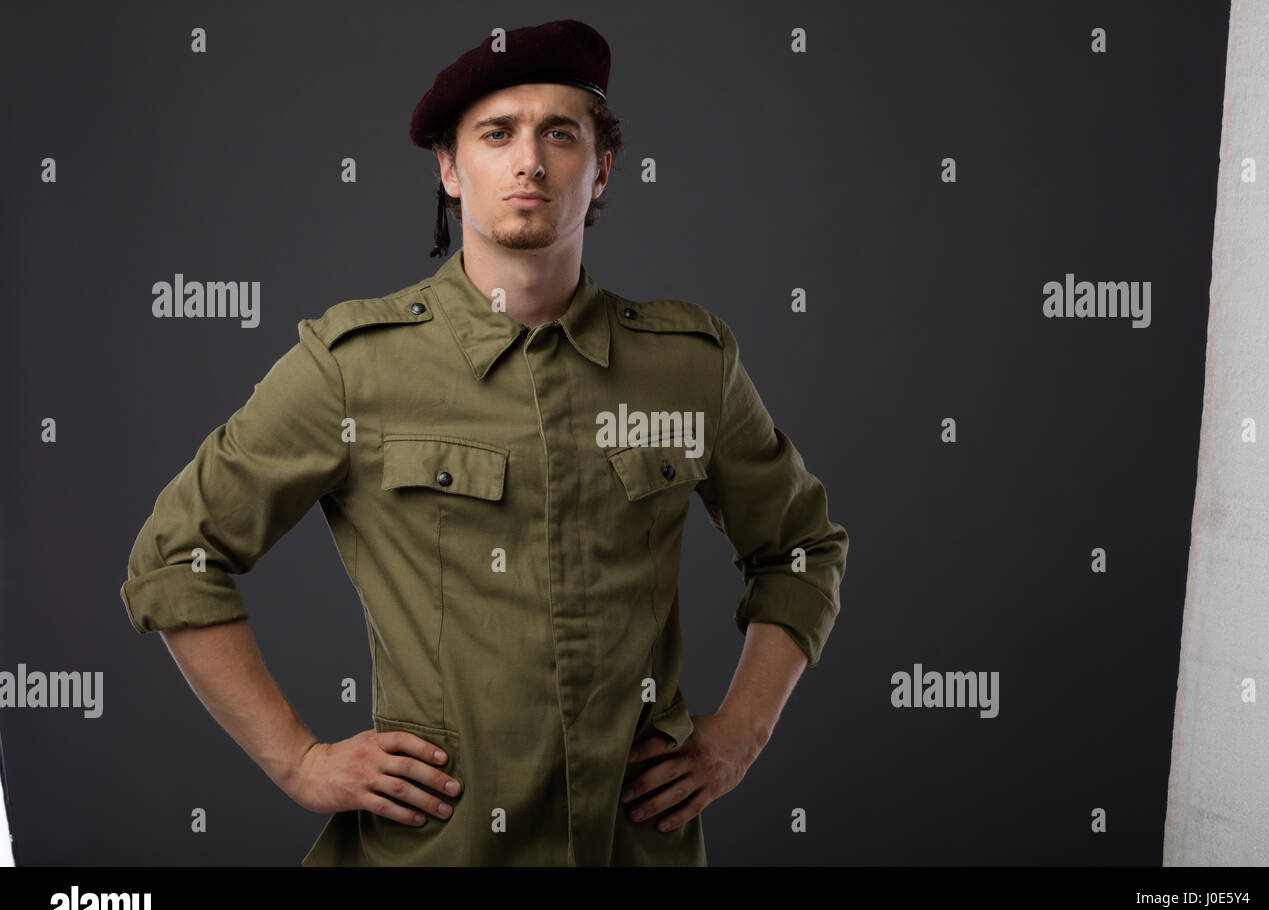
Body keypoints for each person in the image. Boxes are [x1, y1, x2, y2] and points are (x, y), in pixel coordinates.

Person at [119, 18, 848, 865]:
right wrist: (298, 760)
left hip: (634, 849)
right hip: (434, 851)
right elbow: (175, 559)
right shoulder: (356, 365)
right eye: (497, 134)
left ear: (601, 168)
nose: (529, 160)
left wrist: (744, 732)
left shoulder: (688, 365)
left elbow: (800, 547)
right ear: (450, 169)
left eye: (560, 134)